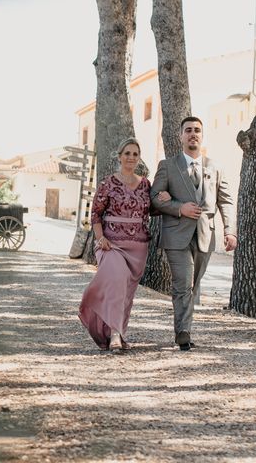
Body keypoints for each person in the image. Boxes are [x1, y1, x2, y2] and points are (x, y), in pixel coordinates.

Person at [151, 116, 237, 351]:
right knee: (183, 284)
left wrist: (230, 231)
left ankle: (184, 326)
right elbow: (154, 199)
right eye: (188, 130)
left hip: (205, 235)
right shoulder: (167, 166)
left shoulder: (215, 166)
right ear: (180, 136)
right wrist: (179, 207)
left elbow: (226, 201)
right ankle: (183, 333)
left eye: (197, 130)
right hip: (176, 235)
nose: (193, 134)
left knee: (193, 286)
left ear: (202, 135)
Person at [78, 137, 153, 351]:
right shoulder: (107, 183)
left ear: (139, 159)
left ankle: (119, 331)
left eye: (135, 154)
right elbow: (96, 215)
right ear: (119, 156)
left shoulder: (146, 184)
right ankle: (114, 335)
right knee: (117, 282)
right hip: (110, 245)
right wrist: (101, 238)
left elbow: (154, 209)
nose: (131, 157)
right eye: (127, 153)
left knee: (126, 294)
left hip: (138, 247)